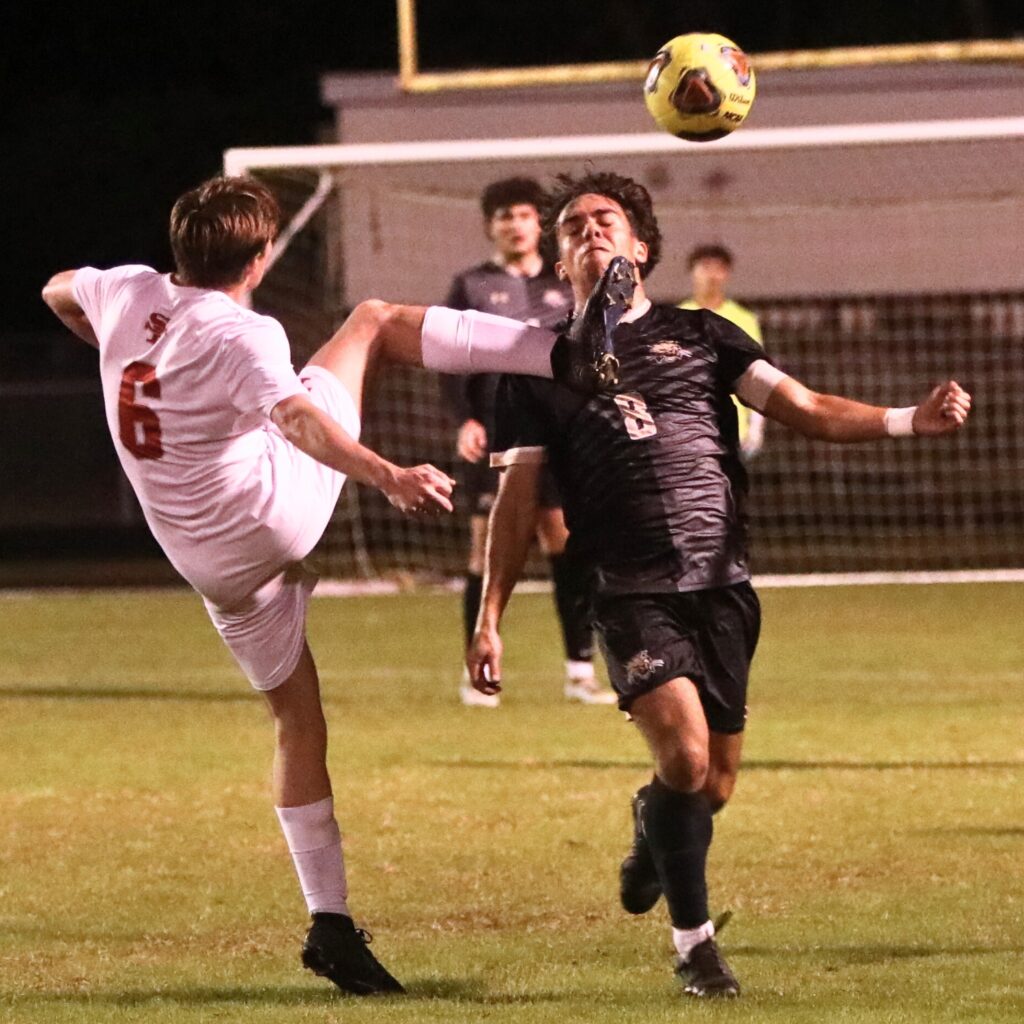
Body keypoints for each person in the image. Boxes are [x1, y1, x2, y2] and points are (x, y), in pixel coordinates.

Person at [39, 174, 589, 997]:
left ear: (177, 245)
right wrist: (383, 471)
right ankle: (567, 352)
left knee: (298, 719)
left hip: (205, 562)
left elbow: (56, 290)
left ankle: (330, 925)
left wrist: (123, 350)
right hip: (269, 515)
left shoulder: (125, 291)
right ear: (261, 258)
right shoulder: (244, 333)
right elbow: (298, 419)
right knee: (370, 321)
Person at [464, 171, 971, 999]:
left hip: (723, 583)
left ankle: (650, 830)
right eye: (573, 226)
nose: (590, 231)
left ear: (642, 247)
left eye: (607, 220)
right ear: (558, 259)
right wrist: (488, 616)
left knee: (714, 786)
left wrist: (909, 419)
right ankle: (695, 949)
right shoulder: (536, 365)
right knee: (689, 757)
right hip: (628, 588)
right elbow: (516, 502)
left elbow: (803, 405)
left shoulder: (702, 335)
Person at [441, 176, 613, 708]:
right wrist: (465, 419)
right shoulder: (470, 286)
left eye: (523, 215)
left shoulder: (566, 283)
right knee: (486, 551)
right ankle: (480, 673)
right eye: (504, 217)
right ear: (490, 226)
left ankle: (580, 669)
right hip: (496, 435)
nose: (515, 225)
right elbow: (449, 360)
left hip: (559, 437)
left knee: (566, 546)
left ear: (539, 224)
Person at [680, 243, 766, 459]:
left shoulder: (744, 319)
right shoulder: (678, 317)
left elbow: (757, 374)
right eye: (705, 267)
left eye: (719, 268)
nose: (712, 275)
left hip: (735, 430)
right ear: (692, 272)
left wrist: (756, 425)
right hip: (689, 429)